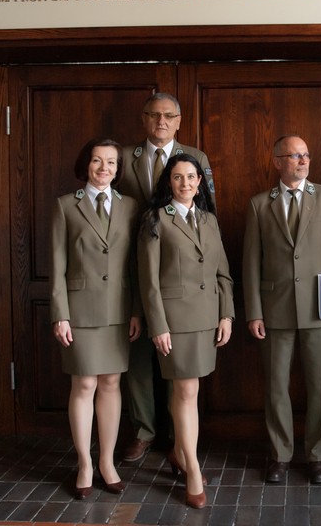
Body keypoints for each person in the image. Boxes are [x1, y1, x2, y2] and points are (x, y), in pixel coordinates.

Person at [242, 135, 321, 485]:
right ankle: (280, 455)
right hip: (274, 308)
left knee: (320, 386)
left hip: (320, 305)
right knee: (276, 386)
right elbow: (251, 264)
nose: (302, 161)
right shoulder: (260, 204)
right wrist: (253, 312)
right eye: (293, 155)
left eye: (306, 154)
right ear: (277, 161)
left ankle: (318, 456)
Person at [117, 92, 217, 463]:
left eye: (169, 115)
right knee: (141, 354)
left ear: (179, 120)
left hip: (179, 271)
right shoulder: (125, 157)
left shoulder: (196, 159)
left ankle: (180, 440)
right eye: (154, 115)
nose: (161, 121)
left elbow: (207, 210)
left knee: (181, 369)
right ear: (144, 118)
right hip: (131, 264)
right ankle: (144, 431)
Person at [137, 154, 234, 510]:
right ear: (169, 183)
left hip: (207, 319)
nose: (186, 184)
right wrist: (157, 325)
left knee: (188, 392)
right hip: (174, 323)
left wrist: (227, 316)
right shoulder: (155, 220)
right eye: (178, 178)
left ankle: (179, 452)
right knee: (186, 389)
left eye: (192, 177)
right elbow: (148, 282)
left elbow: (223, 272)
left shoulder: (209, 220)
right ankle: (192, 468)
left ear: (199, 181)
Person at [50, 138, 143, 500]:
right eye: (97, 161)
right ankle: (84, 463)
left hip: (118, 310)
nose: (104, 168)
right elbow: (57, 267)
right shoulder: (65, 207)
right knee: (84, 385)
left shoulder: (130, 207)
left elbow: (136, 266)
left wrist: (136, 309)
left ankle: (107, 462)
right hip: (80, 310)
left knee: (110, 384)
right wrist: (61, 315)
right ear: (85, 164)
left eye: (111, 163)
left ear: (118, 170)